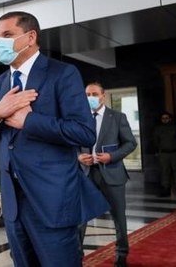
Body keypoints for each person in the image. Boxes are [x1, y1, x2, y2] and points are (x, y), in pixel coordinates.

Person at [0, 11, 109, 266]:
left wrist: (30, 121)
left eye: (7, 35)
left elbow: (84, 131)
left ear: (30, 37)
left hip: (52, 200)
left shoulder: (62, 73)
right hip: (13, 205)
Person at [78, 82, 137, 266]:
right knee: (80, 219)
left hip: (112, 174)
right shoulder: (79, 118)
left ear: (103, 95)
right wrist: (79, 156)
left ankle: (121, 255)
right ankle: (76, 257)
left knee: (119, 217)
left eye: (94, 94)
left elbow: (130, 143)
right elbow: (70, 144)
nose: (90, 98)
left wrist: (112, 156)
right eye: (87, 94)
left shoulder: (118, 117)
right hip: (86, 174)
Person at [153, 112, 176, 198]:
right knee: (164, 172)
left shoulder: (175, 128)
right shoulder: (158, 129)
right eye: (163, 118)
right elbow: (155, 141)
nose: (165, 120)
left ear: (170, 118)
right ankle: (165, 190)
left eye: (167, 118)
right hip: (164, 153)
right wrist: (157, 151)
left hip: (175, 153)